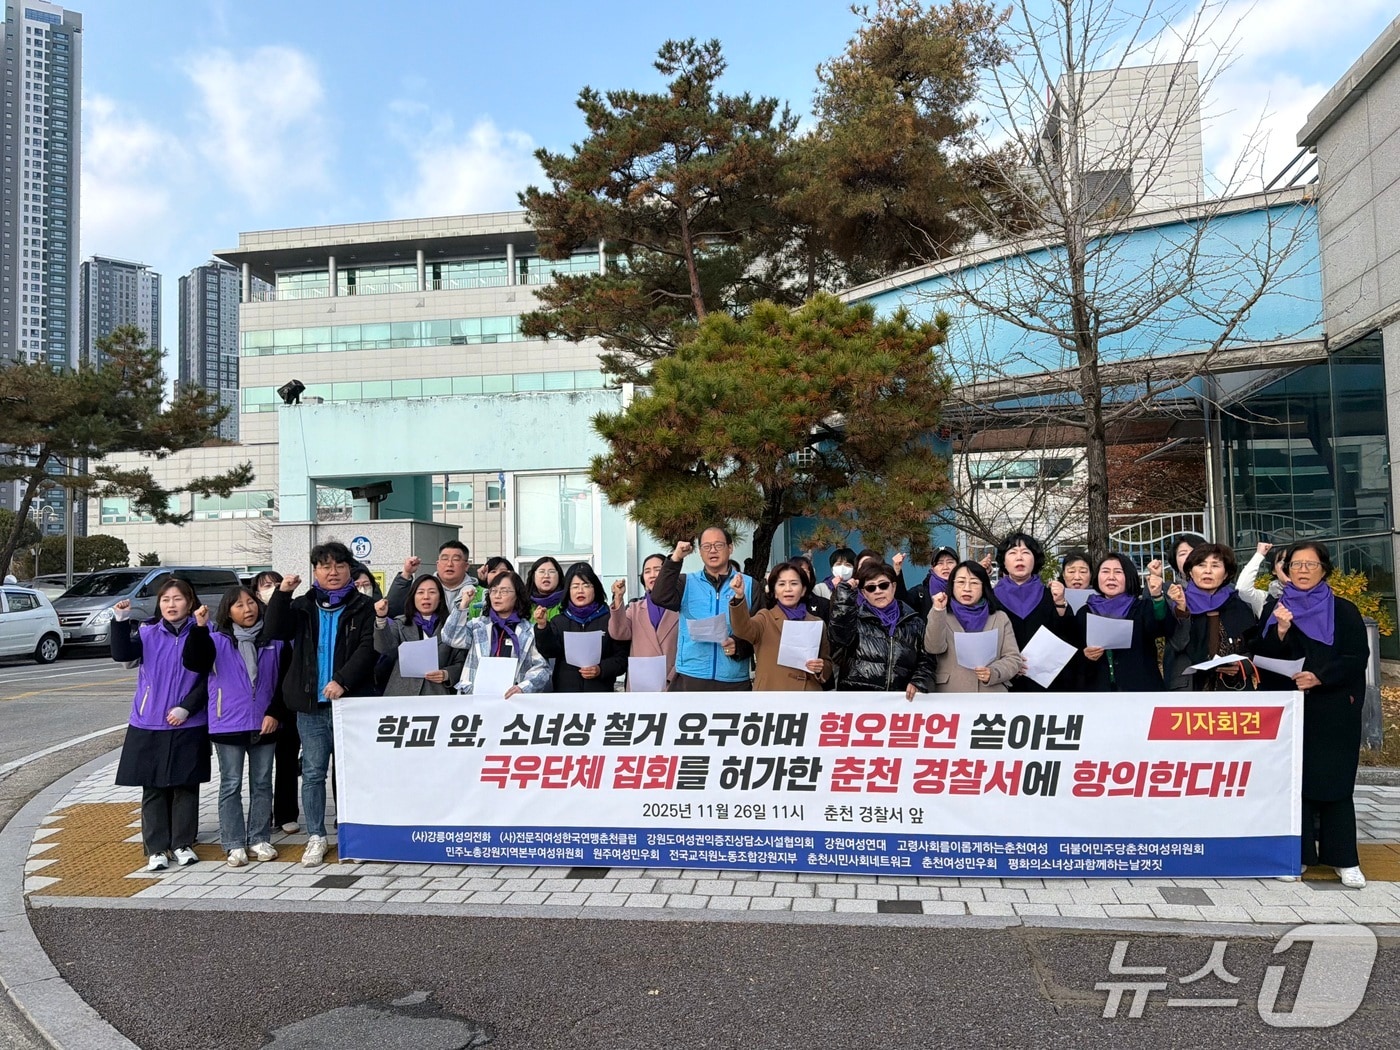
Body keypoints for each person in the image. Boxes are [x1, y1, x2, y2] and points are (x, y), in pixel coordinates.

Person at [1254, 542, 1369, 888]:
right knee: (1295, 783)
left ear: (1324, 569)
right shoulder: (1277, 608)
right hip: (1291, 708)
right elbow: (1262, 654)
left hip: (1333, 708)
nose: (1302, 570)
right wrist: (1281, 631)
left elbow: (1355, 657)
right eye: (1295, 564)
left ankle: (1344, 860)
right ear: (1286, 569)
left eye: (1310, 564)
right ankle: (1299, 856)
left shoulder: (1344, 610)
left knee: (1334, 783)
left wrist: (1320, 676)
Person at [262, 541, 377, 867]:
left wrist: (343, 679)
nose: (333, 572)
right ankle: (316, 835)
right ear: (315, 571)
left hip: (350, 705)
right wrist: (282, 595)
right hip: (310, 707)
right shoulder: (302, 605)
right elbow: (274, 630)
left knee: (350, 773)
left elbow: (369, 649)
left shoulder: (363, 606)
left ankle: (350, 832)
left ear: (349, 569)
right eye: (325, 566)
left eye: (340, 566)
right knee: (312, 773)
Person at [181, 585, 288, 867]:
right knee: (230, 784)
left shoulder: (273, 640)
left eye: (250, 602)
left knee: (263, 783)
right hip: (227, 723)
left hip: (266, 722)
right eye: (239, 605)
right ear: (228, 612)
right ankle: (233, 843)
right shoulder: (215, 639)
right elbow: (194, 662)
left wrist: (275, 712)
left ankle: (259, 838)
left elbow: (283, 682)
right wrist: (200, 628)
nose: (247, 609)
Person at [110, 577, 210, 871]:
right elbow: (122, 654)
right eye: (166, 600)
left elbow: (209, 677)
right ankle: (156, 848)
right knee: (153, 787)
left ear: (190, 602)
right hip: (149, 720)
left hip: (188, 721)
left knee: (185, 785)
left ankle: (183, 843)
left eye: (178, 599)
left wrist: (186, 708)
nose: (171, 605)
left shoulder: (205, 631)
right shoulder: (147, 632)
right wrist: (120, 619)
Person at [652, 527, 761, 691]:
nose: (713, 551)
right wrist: (676, 558)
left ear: (730, 548)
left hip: (733, 678)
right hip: (691, 675)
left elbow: (760, 630)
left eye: (718, 545)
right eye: (706, 546)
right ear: (700, 552)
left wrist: (739, 646)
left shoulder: (749, 585)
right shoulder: (686, 582)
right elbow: (659, 597)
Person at [828, 560, 934, 698]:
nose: (878, 591)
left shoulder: (915, 622)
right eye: (871, 588)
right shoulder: (853, 620)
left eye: (883, 585)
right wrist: (843, 595)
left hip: (901, 705)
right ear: (864, 593)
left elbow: (927, 660)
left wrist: (918, 681)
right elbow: (837, 641)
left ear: (894, 587)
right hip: (857, 703)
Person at [1166, 542, 1260, 693]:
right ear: (1190, 571)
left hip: (1233, 690)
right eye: (1201, 565)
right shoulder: (1178, 603)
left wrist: (1242, 665)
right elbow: (1177, 645)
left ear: (1226, 574)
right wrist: (1181, 610)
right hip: (1190, 690)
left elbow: (1255, 648)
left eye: (1215, 566)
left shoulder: (1239, 606)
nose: (1207, 571)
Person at [441, 571, 551, 696]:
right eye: (493, 591)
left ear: (517, 595)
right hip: (476, 698)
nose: (497, 596)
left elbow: (542, 668)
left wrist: (522, 688)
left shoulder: (529, 630)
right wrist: (463, 605)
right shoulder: (478, 625)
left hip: (514, 701)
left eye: (504, 591)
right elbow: (450, 637)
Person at [728, 561, 831, 691]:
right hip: (772, 697)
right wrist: (739, 596)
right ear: (775, 591)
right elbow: (742, 629)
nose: (788, 589)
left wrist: (820, 667)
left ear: (803, 589)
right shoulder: (765, 618)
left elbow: (827, 663)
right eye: (781, 584)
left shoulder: (817, 623)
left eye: (794, 583)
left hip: (807, 698)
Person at [1077, 554, 1172, 692]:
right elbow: (1074, 651)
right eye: (1105, 571)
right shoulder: (1085, 611)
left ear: (1128, 576)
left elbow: (1161, 628)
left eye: (1118, 572)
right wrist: (1085, 655)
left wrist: (1157, 596)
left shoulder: (1141, 607)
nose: (1111, 577)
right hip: (1097, 691)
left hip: (1140, 689)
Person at [924, 561, 1022, 693]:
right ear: (951, 585)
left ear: (984, 587)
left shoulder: (999, 617)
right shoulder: (942, 614)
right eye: (960, 582)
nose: (967, 588)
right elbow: (933, 647)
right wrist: (937, 611)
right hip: (951, 695)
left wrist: (994, 672)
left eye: (974, 583)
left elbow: (1013, 658)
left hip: (990, 695)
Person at [992, 532, 1073, 691]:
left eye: (1026, 553)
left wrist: (1060, 604)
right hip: (1003, 683)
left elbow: (1067, 637)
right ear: (1004, 561)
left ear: (1035, 559)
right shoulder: (991, 598)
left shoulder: (1051, 596)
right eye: (1013, 553)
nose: (1019, 558)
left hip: (1045, 682)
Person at [253, 570, 300, 833]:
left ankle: (285, 813)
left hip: (287, 702)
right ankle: (261, 816)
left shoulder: (292, 614)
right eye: (264, 586)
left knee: (286, 761)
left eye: (274, 584)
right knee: (259, 768)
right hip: (258, 704)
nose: (270, 589)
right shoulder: (254, 622)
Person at [535, 563, 629, 692]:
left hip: (600, 695)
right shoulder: (559, 621)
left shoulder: (609, 619)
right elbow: (548, 651)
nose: (580, 590)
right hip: (566, 695)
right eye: (575, 586)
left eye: (586, 585)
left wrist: (601, 669)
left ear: (595, 589)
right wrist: (542, 626)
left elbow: (621, 659)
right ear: (568, 591)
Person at [372, 575, 465, 696]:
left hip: (438, 695)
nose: (426, 597)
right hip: (402, 694)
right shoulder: (400, 624)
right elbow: (384, 648)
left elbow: (462, 663)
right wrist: (381, 618)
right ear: (413, 597)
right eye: (420, 592)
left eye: (432, 592)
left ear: (440, 598)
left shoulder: (451, 627)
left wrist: (447, 674)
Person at [608, 554, 679, 690]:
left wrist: (674, 673)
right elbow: (618, 633)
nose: (652, 575)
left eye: (658, 569)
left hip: (673, 681)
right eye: (647, 571)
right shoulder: (634, 608)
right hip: (641, 684)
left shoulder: (681, 607)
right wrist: (618, 598)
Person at [1162, 532, 1207, 692]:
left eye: (1195, 550)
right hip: (1183, 679)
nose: (1189, 557)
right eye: (1182, 553)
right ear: (1175, 561)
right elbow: (1178, 641)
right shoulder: (1168, 590)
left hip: (1220, 680)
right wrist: (1181, 608)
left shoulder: (1226, 592)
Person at [384, 540, 476, 617]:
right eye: (444, 559)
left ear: (466, 566)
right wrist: (406, 573)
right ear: (437, 564)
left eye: (456, 559)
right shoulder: (421, 589)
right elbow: (393, 610)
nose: (449, 564)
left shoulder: (479, 594)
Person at [1236, 542, 1289, 617]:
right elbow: (1242, 589)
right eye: (1282, 561)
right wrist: (1259, 555)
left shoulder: (1310, 596)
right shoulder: (1264, 599)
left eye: (1294, 563)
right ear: (1274, 570)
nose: (1287, 566)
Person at [909, 546, 959, 615]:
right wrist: (898, 573)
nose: (945, 567)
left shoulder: (967, 589)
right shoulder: (921, 593)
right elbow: (902, 601)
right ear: (932, 568)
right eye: (940, 563)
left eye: (950, 562)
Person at [526, 557, 567, 625]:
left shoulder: (567, 603)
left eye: (551, 572)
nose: (546, 576)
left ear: (559, 575)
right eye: (541, 571)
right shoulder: (524, 605)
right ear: (533, 576)